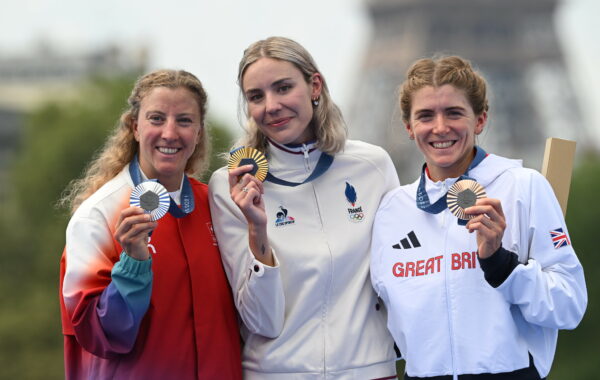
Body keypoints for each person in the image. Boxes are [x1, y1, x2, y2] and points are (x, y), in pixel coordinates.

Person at [370, 55, 587, 379]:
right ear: (409, 127)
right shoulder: (392, 209)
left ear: (480, 120)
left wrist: (501, 263)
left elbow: (569, 306)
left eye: (454, 113)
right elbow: (380, 317)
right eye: (426, 115)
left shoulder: (524, 187)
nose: (440, 127)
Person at [208, 36, 399, 379]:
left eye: (283, 88)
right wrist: (257, 231)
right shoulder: (231, 185)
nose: (271, 106)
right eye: (256, 96)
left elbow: (398, 278)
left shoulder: (373, 166)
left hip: (369, 371)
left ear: (314, 85)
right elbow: (261, 320)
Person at [58, 69, 242, 379]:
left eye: (184, 121)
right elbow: (98, 336)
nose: (170, 133)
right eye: (156, 119)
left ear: (198, 133)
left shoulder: (216, 206)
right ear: (135, 127)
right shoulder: (98, 216)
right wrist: (133, 265)